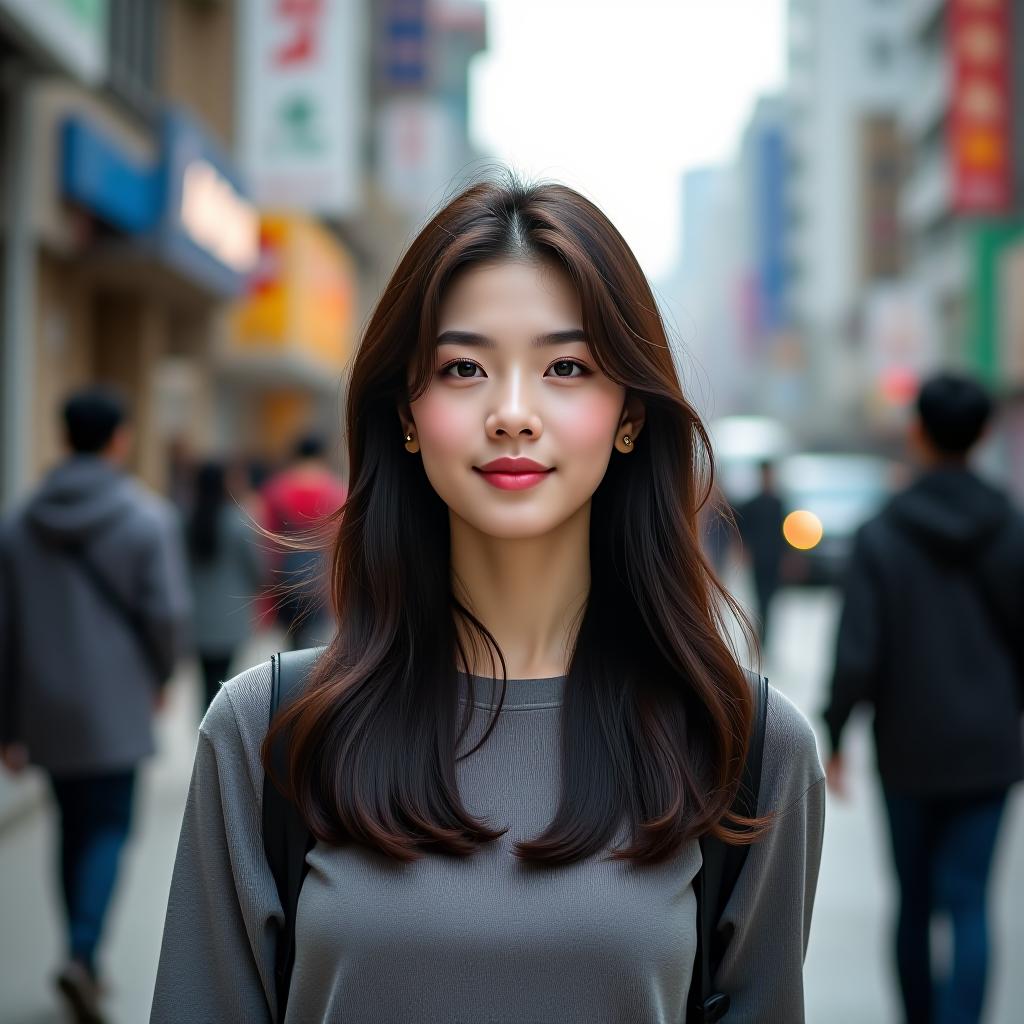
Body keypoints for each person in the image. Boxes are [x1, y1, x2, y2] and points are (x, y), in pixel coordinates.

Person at [151, 176, 825, 1023]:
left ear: (629, 417)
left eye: (566, 368)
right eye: (464, 367)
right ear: (406, 411)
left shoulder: (750, 750)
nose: (512, 413)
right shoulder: (267, 734)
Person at [823, 372, 1024, 1024]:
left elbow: (857, 650)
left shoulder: (883, 533)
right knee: (968, 900)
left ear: (917, 433)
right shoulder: (1011, 527)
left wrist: (835, 732)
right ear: (984, 434)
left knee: (913, 900)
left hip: (908, 747)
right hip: (990, 745)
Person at [0, 387, 191, 1024]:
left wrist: (7, 721)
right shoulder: (145, 518)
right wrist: (163, 675)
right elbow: (166, 614)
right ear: (119, 439)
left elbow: (5, 629)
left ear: (63, 436)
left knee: (70, 826)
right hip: (116, 700)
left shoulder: (20, 522)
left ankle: (77, 952)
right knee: (110, 827)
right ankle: (84, 955)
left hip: (44, 705)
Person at [185, 459, 268, 714]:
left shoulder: (184, 520)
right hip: (231, 617)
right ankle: (216, 736)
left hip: (195, 616)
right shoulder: (237, 520)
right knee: (224, 683)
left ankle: (204, 729)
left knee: (204, 681)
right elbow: (257, 568)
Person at [260, 434, 347, 650]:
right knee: (315, 640)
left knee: (291, 638)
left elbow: (266, 540)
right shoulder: (336, 490)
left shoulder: (276, 490)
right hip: (320, 576)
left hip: (285, 575)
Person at [733, 460, 786, 648]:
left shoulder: (779, 503)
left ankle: (764, 639)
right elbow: (741, 530)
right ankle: (759, 638)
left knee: (770, 600)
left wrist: (789, 557)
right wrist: (743, 550)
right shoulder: (751, 504)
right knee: (759, 599)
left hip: (774, 558)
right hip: (758, 558)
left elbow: (785, 532)